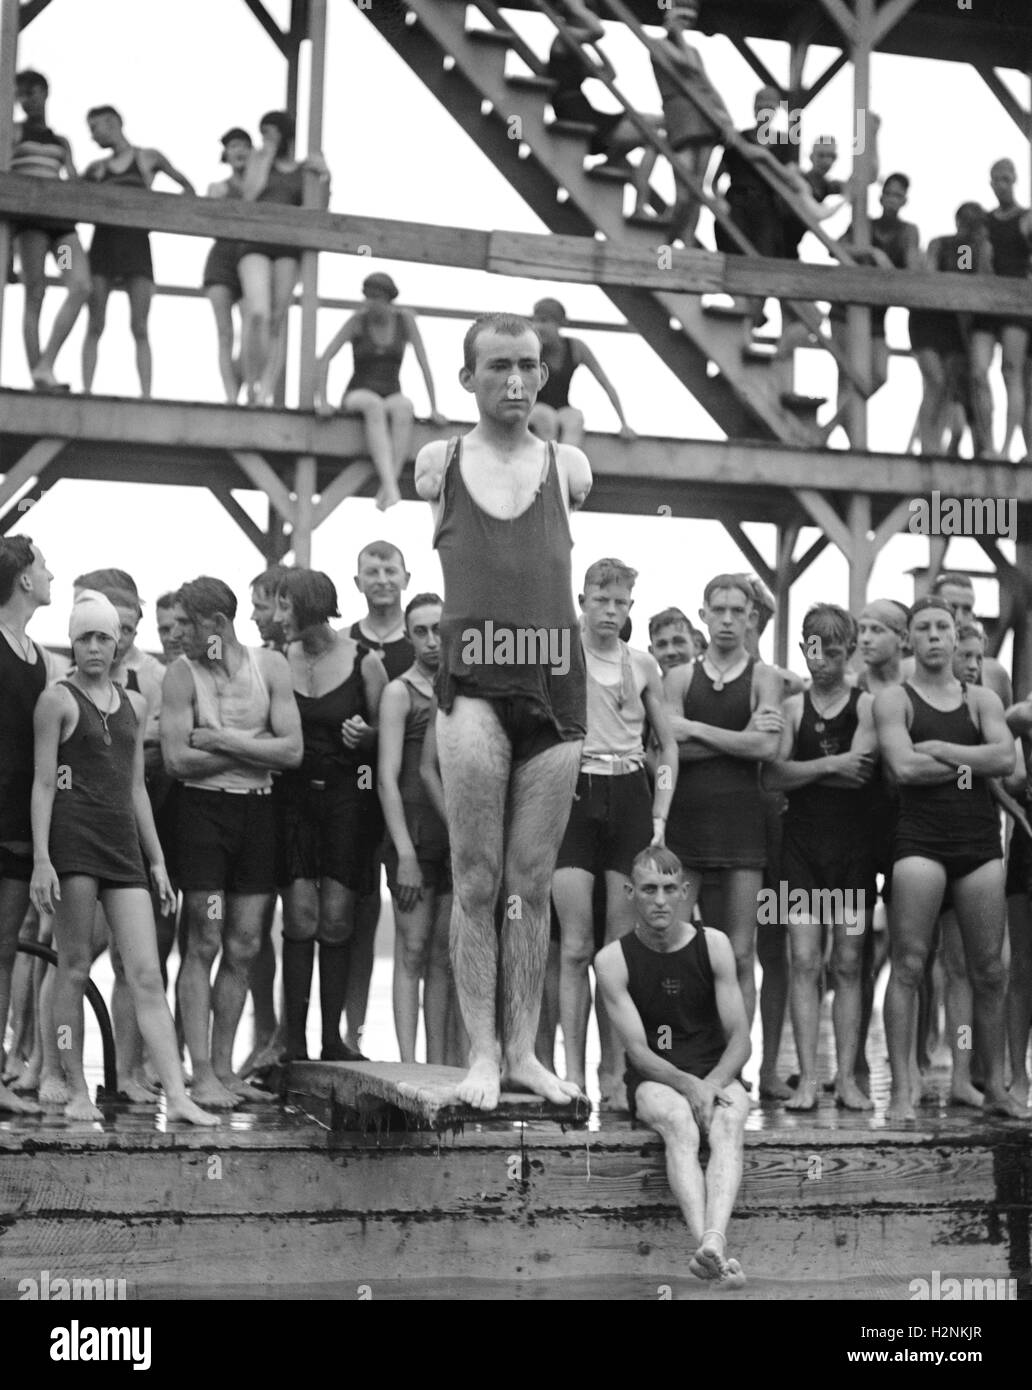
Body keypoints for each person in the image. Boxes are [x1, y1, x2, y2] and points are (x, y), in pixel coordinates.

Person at [413, 311, 592, 1109]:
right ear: (468, 379)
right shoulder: (438, 462)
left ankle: (523, 1050)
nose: (515, 381)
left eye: (527, 366)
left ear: (544, 375)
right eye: (497, 368)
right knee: (477, 876)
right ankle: (481, 1054)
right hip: (474, 688)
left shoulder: (570, 466)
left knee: (532, 878)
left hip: (556, 686)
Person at [29, 591, 217, 1126]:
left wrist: (156, 861)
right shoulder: (57, 701)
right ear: (72, 640)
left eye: (103, 638)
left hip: (122, 850)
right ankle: (74, 1086)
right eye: (84, 637)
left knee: (147, 974)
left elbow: (135, 788)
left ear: (118, 645)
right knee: (73, 968)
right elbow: (44, 785)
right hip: (73, 848)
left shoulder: (135, 704)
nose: (93, 646)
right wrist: (43, 859)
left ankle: (178, 1096)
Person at [873, 596, 1023, 1121]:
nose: (935, 636)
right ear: (911, 639)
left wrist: (941, 750)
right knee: (909, 965)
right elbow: (903, 770)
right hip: (920, 843)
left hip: (978, 844)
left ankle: (997, 1088)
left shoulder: (980, 697)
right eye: (925, 628)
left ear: (956, 639)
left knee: (989, 971)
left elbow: (1005, 758)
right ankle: (899, 1093)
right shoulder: (894, 700)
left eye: (944, 628)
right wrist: (970, 762)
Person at [161, 577, 302, 1109]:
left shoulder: (270, 667)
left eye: (186, 626)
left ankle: (224, 1068)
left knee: (244, 944)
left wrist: (220, 740)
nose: (177, 635)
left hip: (257, 815)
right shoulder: (181, 675)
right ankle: (200, 1074)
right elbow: (178, 760)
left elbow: (292, 753)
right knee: (204, 940)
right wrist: (256, 749)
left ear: (216, 626)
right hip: (202, 815)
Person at [595, 847, 751, 1288]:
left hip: (714, 1070)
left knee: (729, 1121)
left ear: (684, 891)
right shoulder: (611, 961)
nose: (660, 900)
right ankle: (712, 1246)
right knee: (680, 1122)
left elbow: (741, 1039)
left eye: (668, 889)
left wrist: (713, 1083)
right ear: (630, 893)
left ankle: (711, 1246)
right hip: (655, 1078)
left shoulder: (714, 945)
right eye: (648, 889)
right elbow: (640, 1053)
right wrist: (690, 1087)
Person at [553, 559, 677, 1104]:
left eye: (620, 602)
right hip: (573, 791)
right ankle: (573, 1073)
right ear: (582, 600)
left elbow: (669, 747)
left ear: (630, 608)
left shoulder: (644, 665)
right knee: (575, 947)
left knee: (615, 950)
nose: (609, 610)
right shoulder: (559, 653)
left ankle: (615, 1073)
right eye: (600, 599)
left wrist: (661, 816)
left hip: (628, 793)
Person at [764, 605, 877, 1112]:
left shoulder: (867, 706)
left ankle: (847, 1078)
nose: (822, 658)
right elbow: (772, 778)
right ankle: (808, 1079)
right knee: (804, 960)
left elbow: (865, 773)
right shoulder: (792, 709)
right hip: (802, 847)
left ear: (848, 651)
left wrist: (803, 769)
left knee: (848, 963)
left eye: (833, 649)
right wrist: (832, 762)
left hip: (852, 846)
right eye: (814, 647)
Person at [661, 574, 784, 1027]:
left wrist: (695, 730)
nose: (728, 620)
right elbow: (670, 747)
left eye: (738, 611)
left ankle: (736, 1061)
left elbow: (766, 749)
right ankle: (682, 1053)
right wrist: (740, 738)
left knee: (739, 951)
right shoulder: (678, 677)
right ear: (704, 615)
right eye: (719, 610)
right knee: (673, 940)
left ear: (751, 617)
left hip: (742, 825)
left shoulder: (765, 677)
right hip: (686, 821)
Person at [274, 568, 388, 1062]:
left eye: (285, 606)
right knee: (300, 918)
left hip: (349, 799)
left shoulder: (366, 662)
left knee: (338, 921)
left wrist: (369, 736)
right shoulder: (279, 661)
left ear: (310, 607)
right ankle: (293, 1043)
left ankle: (332, 1041)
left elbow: (391, 729)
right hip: (293, 800)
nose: (278, 618)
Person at [342, 541, 415, 1055]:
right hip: (357, 798)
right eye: (373, 570)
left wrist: (380, 736)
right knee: (355, 917)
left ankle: (429, 1050)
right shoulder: (344, 646)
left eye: (391, 569)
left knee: (418, 925)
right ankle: (353, 1033)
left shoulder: (426, 642)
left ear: (406, 578)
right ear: (358, 582)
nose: (382, 577)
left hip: (413, 799)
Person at [379, 593, 452, 1063]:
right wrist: (404, 852)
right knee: (412, 948)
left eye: (438, 630)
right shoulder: (399, 692)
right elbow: (385, 777)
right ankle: (407, 1063)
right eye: (420, 632)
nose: (431, 641)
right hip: (414, 834)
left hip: (457, 834)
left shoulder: (463, 689)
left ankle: (441, 1062)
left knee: (445, 955)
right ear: (408, 637)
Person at [81, 106, 195, 398]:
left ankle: (146, 395)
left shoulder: (147, 157)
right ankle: (87, 390)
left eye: (95, 128)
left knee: (140, 325)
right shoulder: (96, 169)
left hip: (136, 247)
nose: (92, 136)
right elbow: (67, 205)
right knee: (95, 322)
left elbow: (187, 188)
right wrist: (69, 260)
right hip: (102, 247)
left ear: (113, 122)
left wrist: (159, 214)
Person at [315, 273, 446, 509]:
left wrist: (434, 408)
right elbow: (325, 358)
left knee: (405, 407)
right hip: (359, 392)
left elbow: (423, 361)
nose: (370, 303)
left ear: (388, 300)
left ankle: (388, 485)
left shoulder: (404, 320)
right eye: (367, 297)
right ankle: (391, 485)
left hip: (391, 392)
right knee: (373, 405)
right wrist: (322, 400)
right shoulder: (358, 321)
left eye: (375, 298)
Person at [0, 538, 52, 1117]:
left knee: (4, 952)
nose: (51, 572)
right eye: (43, 566)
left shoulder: (38, 654)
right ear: (23, 580)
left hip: (17, 821)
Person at [238, 110, 330, 406]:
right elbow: (249, 195)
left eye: (271, 132)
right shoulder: (258, 159)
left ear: (284, 133)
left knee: (278, 318)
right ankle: (250, 383)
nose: (265, 137)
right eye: (262, 132)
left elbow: (319, 212)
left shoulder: (304, 169)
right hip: (255, 242)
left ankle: (266, 389)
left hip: (288, 247)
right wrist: (264, 158)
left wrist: (325, 176)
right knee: (257, 313)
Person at [11, 70, 91, 391]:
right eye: (21, 95)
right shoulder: (13, 132)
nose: (26, 99)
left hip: (60, 229)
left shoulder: (60, 141)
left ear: (44, 93)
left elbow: (72, 178)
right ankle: (38, 375)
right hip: (30, 226)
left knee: (80, 285)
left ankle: (46, 363)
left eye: (32, 92)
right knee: (36, 292)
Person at [828, 173, 921, 446]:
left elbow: (910, 272)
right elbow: (836, 248)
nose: (892, 199)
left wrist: (882, 261)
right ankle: (854, 440)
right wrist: (869, 251)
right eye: (888, 193)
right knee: (847, 374)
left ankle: (834, 425)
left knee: (879, 373)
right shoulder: (864, 223)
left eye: (898, 195)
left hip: (878, 313)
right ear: (881, 197)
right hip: (845, 307)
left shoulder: (908, 231)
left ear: (904, 200)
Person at [545, 4, 661, 217]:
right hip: (574, 111)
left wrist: (593, 46)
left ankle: (614, 167)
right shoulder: (562, 38)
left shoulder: (575, 49)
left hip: (583, 109)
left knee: (655, 123)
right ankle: (638, 205)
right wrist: (577, 6)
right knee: (653, 138)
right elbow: (598, 30)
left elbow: (608, 74)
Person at [908, 203, 992, 457]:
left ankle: (932, 443)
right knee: (937, 381)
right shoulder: (963, 247)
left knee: (942, 386)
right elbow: (960, 281)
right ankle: (929, 444)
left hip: (945, 324)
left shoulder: (942, 244)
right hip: (934, 322)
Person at [649, 1, 734, 246]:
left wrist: (726, 118)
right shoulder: (658, 45)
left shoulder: (693, 50)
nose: (685, 23)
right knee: (685, 193)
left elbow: (707, 84)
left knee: (697, 191)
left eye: (689, 19)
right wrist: (676, 34)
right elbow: (686, 64)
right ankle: (668, 241)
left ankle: (686, 244)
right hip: (680, 120)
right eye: (681, 17)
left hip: (705, 119)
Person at [969, 159, 1032, 460]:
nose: (1001, 184)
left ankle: (1007, 447)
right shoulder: (985, 221)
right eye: (996, 179)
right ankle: (988, 444)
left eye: (1006, 178)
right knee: (979, 371)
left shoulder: (1026, 218)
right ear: (991, 182)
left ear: (1015, 180)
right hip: (985, 301)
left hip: (1014, 302)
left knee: (1012, 372)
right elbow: (971, 258)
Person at [527, 299, 635, 448]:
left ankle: (566, 464)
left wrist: (624, 424)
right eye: (536, 321)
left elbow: (605, 383)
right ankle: (547, 464)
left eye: (545, 321)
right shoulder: (530, 347)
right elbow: (510, 380)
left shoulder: (575, 347)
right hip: (536, 408)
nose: (539, 326)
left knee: (575, 418)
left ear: (559, 323)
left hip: (562, 408)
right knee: (546, 418)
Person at [203, 127, 253, 404]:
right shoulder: (218, 188)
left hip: (252, 258)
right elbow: (208, 222)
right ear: (225, 153)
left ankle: (246, 388)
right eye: (233, 146)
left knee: (250, 330)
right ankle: (231, 396)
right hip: (221, 260)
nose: (239, 150)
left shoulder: (259, 186)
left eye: (244, 145)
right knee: (225, 333)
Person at [647, 607, 699, 675]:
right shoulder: (637, 685)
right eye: (662, 645)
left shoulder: (713, 684)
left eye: (679, 642)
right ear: (651, 652)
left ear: (695, 646)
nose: (670, 652)